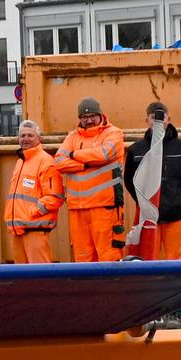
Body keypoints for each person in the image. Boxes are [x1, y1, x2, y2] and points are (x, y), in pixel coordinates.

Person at [123, 101, 181, 262]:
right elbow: (130, 181)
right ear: (147, 120)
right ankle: (151, 287)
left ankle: (176, 288)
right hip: (148, 217)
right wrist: (144, 202)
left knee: (176, 260)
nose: (157, 121)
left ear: (169, 119)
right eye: (153, 117)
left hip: (177, 215)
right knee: (148, 259)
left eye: (161, 117)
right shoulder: (136, 150)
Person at [52, 97, 126, 261]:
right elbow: (58, 162)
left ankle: (110, 287)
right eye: (84, 117)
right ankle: (88, 287)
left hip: (105, 206)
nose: (89, 120)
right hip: (77, 208)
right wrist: (84, 165)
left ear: (100, 115)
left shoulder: (114, 133)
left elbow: (104, 154)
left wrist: (74, 155)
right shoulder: (72, 137)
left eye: (92, 115)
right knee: (82, 257)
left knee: (109, 255)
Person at [5, 120, 64, 263]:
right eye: (22, 135)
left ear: (39, 139)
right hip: (18, 230)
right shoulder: (21, 162)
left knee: (41, 277)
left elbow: (54, 197)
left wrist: (32, 213)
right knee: (22, 278)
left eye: (30, 135)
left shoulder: (46, 162)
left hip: (35, 230)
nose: (25, 139)